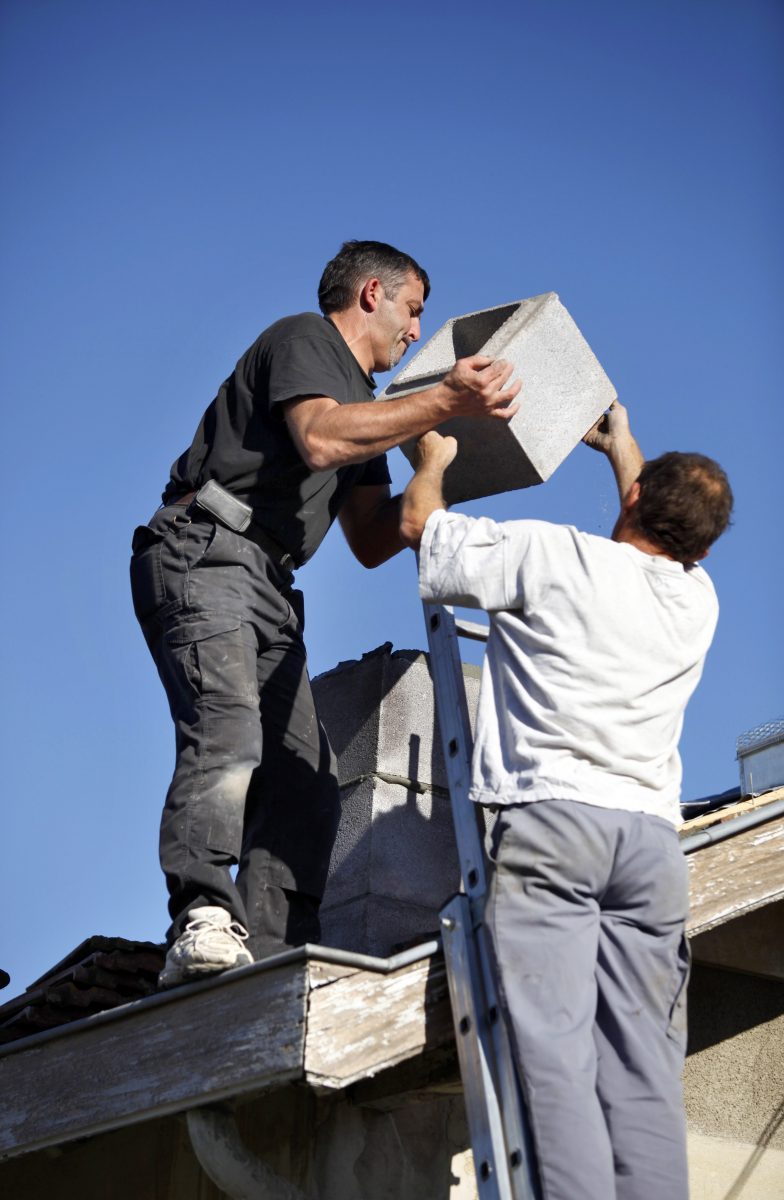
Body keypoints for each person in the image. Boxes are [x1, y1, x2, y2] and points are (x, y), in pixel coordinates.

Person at [130, 239, 521, 988]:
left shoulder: (370, 412)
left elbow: (376, 539)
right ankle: (203, 916)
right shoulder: (304, 339)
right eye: (413, 311)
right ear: (372, 294)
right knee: (229, 729)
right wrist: (443, 399)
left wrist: (437, 466)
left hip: (268, 581)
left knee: (306, 782)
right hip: (207, 547)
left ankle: (273, 956)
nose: (415, 333)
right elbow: (316, 439)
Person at [399, 403, 733, 1200]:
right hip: (652, 850)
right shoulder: (698, 602)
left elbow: (421, 525)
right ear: (706, 546)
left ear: (635, 499)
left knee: (557, 1060)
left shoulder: (547, 555)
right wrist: (622, 447)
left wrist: (434, 456)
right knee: (644, 1071)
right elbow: (656, 520)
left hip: (556, 827)